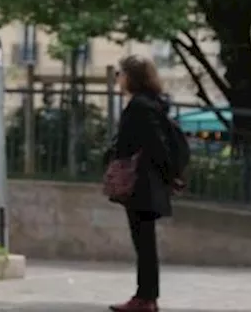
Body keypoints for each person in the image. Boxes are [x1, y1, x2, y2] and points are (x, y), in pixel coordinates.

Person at [104, 55, 174, 312]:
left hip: (142, 183)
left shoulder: (140, 107)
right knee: (145, 242)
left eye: (121, 74)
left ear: (131, 77)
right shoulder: (151, 104)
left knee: (144, 242)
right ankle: (146, 297)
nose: (118, 79)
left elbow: (154, 144)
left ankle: (145, 298)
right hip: (148, 181)